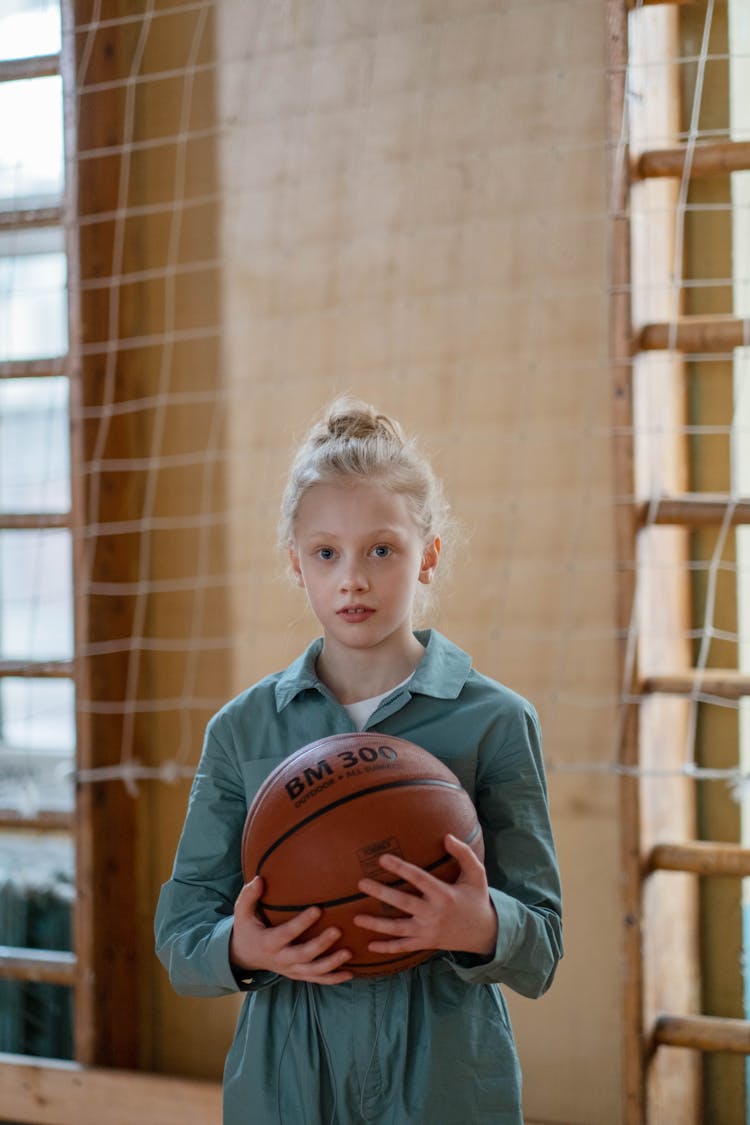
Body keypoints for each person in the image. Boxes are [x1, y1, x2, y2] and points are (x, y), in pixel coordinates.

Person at [155, 397, 563, 1124]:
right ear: (296, 564)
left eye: (382, 549)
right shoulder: (242, 729)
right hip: (288, 1075)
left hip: (444, 1073)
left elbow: (542, 946)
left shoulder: (497, 721)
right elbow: (183, 936)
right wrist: (242, 945)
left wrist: (480, 924)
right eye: (326, 553)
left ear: (427, 555)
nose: (353, 578)